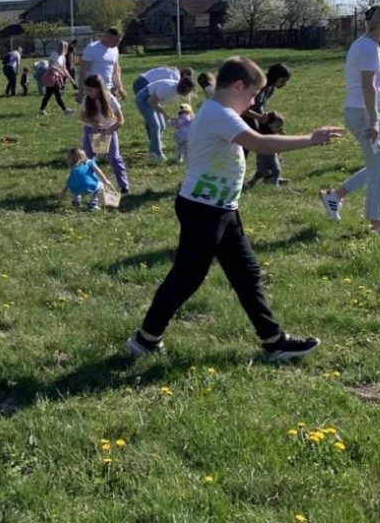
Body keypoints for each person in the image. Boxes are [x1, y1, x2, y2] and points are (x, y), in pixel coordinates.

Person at [124, 57, 341, 363]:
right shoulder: (219, 114)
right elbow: (260, 143)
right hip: (203, 210)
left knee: (246, 274)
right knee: (186, 278)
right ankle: (146, 339)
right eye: (252, 95)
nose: (252, 102)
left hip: (222, 207)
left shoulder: (218, 108)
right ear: (238, 86)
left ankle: (274, 341)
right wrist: (311, 139)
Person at [319, 3, 380, 237]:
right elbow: (368, 86)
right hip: (365, 113)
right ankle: (376, 224)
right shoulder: (368, 47)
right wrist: (374, 121)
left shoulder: (367, 45)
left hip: (364, 112)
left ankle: (334, 196)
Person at [79, 74, 130, 195]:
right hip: (92, 131)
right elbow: (82, 117)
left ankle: (124, 186)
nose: (87, 93)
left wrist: (109, 130)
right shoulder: (86, 99)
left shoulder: (110, 99)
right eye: (86, 90)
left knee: (114, 157)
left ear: (99, 89)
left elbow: (121, 120)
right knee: (88, 158)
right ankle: (90, 185)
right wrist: (93, 124)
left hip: (109, 130)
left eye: (90, 90)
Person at [135, 74, 196, 162]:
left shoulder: (185, 91)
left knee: (162, 126)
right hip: (143, 100)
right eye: (188, 91)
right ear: (183, 88)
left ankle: (152, 152)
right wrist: (165, 115)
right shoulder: (167, 89)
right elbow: (151, 101)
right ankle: (158, 155)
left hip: (153, 101)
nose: (189, 93)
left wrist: (193, 119)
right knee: (155, 126)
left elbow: (188, 107)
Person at [77, 28, 123, 99]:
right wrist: (81, 92)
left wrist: (120, 88)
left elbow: (115, 71)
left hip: (109, 89)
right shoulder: (92, 48)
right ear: (109, 38)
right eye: (117, 41)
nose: (118, 44)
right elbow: (83, 72)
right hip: (94, 90)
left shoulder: (115, 50)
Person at [248, 111, 288, 186]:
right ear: (269, 125)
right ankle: (274, 185)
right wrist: (280, 136)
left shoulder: (269, 133)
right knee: (276, 170)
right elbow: (272, 142)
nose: (279, 128)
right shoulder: (266, 134)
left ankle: (254, 182)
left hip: (269, 154)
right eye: (277, 126)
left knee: (262, 171)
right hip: (268, 154)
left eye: (280, 126)